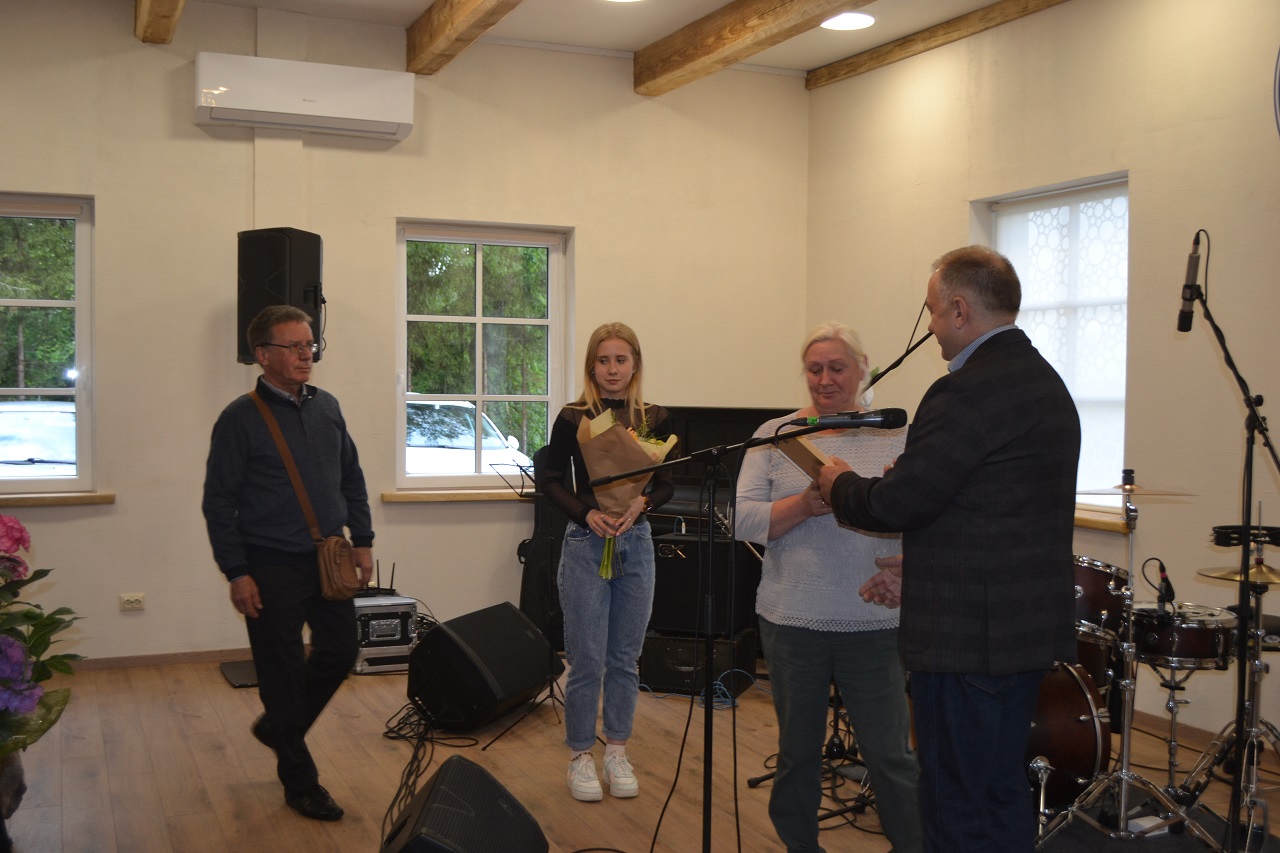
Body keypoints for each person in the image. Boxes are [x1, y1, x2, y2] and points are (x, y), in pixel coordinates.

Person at [817, 246, 1081, 853]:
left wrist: (839, 484)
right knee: (999, 792)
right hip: (1022, 632)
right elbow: (995, 509)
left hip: (967, 641)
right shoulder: (1046, 383)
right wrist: (924, 556)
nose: (932, 326)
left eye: (933, 311)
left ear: (960, 310)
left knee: (955, 804)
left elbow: (898, 504)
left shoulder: (964, 391)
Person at [736, 322, 923, 853]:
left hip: (874, 622)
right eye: (814, 369)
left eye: (836, 367)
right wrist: (804, 504)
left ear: (863, 369)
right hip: (792, 619)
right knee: (797, 752)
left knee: (890, 754)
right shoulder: (777, 435)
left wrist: (908, 569)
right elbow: (743, 519)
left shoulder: (896, 435)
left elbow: (929, 517)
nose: (824, 379)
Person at [202, 305, 374, 822]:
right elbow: (219, 502)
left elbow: (352, 476)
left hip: (328, 557)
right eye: (294, 346)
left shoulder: (327, 406)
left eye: (309, 344)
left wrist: (363, 540)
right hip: (269, 563)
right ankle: (300, 783)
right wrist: (237, 571)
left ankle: (280, 727)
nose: (306, 354)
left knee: (340, 651)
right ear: (263, 355)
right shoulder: (239, 418)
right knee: (280, 672)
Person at [536, 322, 674, 803]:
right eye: (603, 360)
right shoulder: (574, 417)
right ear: (591, 366)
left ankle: (616, 751)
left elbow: (667, 483)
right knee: (587, 659)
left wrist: (642, 503)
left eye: (621, 359)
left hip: (637, 542)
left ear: (635, 364)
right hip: (585, 543)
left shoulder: (655, 418)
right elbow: (550, 480)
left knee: (624, 659)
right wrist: (587, 513)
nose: (612, 369)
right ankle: (580, 755)